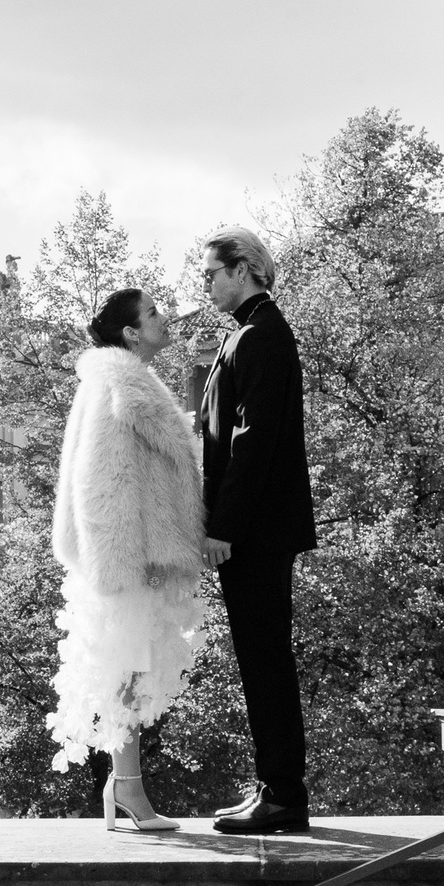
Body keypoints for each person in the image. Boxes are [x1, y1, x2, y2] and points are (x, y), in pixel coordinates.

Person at [46, 287, 207, 831]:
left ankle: (125, 788)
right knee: (129, 670)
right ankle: (128, 790)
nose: (166, 319)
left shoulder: (121, 380)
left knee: (135, 669)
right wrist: (120, 562)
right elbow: (100, 480)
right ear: (132, 332)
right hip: (124, 559)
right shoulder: (118, 383)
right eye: (154, 313)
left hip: (134, 553)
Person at [194, 225, 317, 834]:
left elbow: (252, 443)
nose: (206, 282)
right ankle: (274, 787)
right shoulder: (248, 332)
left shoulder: (262, 334)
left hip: (256, 532)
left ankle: (284, 796)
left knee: (266, 661)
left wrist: (224, 527)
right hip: (256, 530)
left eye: (212, 271)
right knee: (259, 660)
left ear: (242, 269)